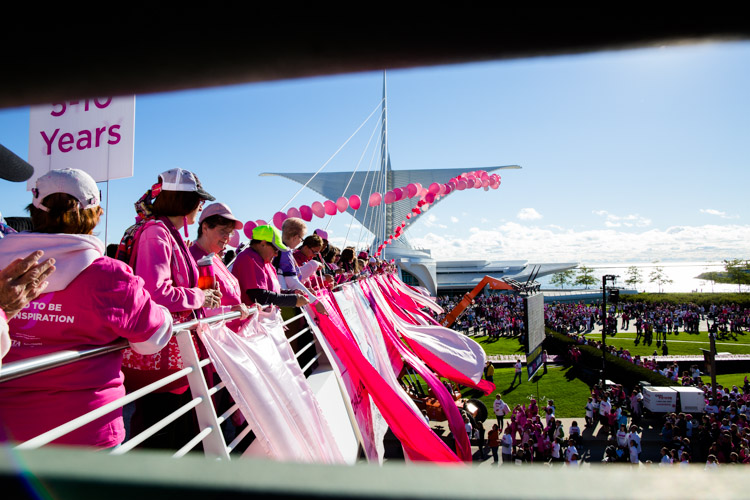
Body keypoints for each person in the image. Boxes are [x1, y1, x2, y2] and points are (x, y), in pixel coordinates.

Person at [0, 168, 174, 447]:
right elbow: (152, 340)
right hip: (86, 433)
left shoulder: (4, 269)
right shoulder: (110, 276)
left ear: (35, 210)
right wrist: (165, 313)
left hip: (8, 434)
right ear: (94, 214)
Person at [120, 168, 220, 449]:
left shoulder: (165, 232)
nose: (201, 205)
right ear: (183, 199)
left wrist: (196, 295)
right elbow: (155, 292)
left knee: (171, 424)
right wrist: (198, 296)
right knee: (162, 425)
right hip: (163, 353)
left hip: (171, 350)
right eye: (198, 199)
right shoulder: (157, 233)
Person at [189, 202, 251, 328]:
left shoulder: (214, 256)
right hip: (215, 340)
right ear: (205, 228)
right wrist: (231, 310)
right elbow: (197, 309)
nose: (227, 238)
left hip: (230, 334)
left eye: (230, 233)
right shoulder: (193, 259)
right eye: (223, 231)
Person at [232, 225, 310, 309]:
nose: (276, 254)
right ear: (263, 244)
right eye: (276, 249)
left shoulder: (267, 263)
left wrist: (291, 293)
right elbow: (259, 296)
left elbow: (272, 291)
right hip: (252, 319)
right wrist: (293, 300)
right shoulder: (248, 258)